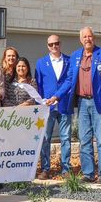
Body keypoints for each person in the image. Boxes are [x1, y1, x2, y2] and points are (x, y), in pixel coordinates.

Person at [50, 27, 101, 185]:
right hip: (82, 102)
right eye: (84, 37)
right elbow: (69, 80)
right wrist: (57, 95)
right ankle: (88, 173)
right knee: (84, 139)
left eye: (90, 36)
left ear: (94, 38)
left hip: (99, 103)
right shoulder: (75, 56)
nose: (87, 39)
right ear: (81, 40)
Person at [35, 35, 73, 180]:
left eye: (56, 43)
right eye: (51, 44)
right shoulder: (41, 63)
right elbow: (38, 84)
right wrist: (42, 103)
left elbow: (69, 81)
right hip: (47, 107)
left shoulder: (69, 61)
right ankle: (45, 168)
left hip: (64, 105)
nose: (54, 46)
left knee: (65, 138)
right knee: (45, 138)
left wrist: (57, 96)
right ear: (47, 46)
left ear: (60, 44)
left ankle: (66, 169)